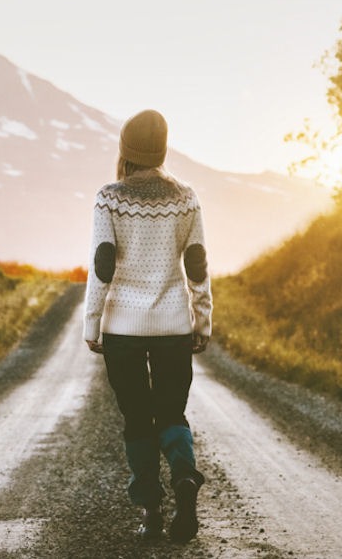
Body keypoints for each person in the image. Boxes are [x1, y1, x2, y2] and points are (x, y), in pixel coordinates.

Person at [83, 108, 212, 543]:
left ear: (125, 150)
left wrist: (92, 322)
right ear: (162, 150)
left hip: (123, 328)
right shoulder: (187, 198)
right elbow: (196, 265)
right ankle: (184, 477)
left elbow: (102, 265)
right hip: (174, 325)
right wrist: (203, 319)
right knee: (172, 412)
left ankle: (152, 512)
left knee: (138, 419)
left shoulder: (110, 198)